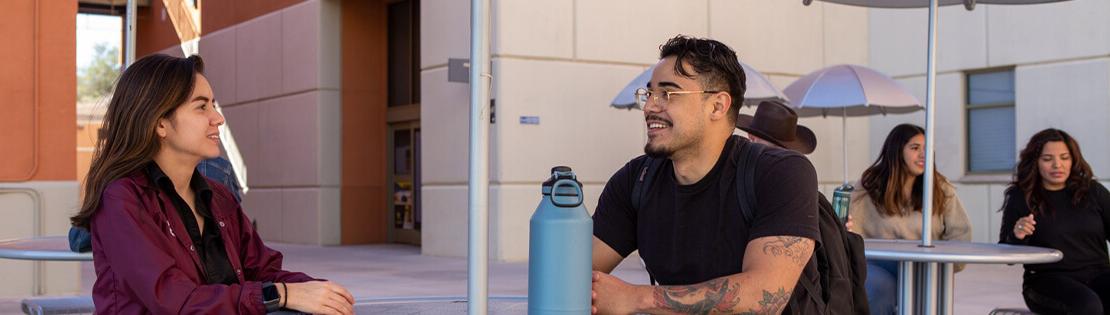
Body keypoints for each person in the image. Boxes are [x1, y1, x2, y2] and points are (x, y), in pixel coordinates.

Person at [69, 54, 354, 315]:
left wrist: (320, 291)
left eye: (214, 105)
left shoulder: (218, 197)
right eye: (202, 106)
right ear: (160, 124)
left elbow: (262, 269)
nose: (218, 118)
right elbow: (174, 300)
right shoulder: (122, 199)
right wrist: (279, 294)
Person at [590, 35, 820, 314]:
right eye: (649, 94)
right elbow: (574, 273)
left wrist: (637, 298)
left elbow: (766, 294)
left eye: (668, 94)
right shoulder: (636, 180)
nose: (650, 106)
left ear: (717, 106)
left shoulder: (780, 173)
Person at [848, 123, 971, 315]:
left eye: (927, 149)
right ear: (897, 151)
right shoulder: (870, 186)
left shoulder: (939, 187)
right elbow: (851, 233)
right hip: (877, 263)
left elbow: (961, 232)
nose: (923, 155)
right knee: (881, 290)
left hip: (924, 266)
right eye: (915, 148)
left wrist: (946, 265)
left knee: (930, 292)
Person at [999, 128, 1110, 314]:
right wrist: (1017, 235)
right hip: (1046, 281)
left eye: (1065, 158)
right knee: (1088, 306)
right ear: (1035, 162)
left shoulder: (1092, 191)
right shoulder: (1021, 196)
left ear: (1073, 160)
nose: (1057, 165)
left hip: (1098, 274)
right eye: (1047, 159)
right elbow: (1005, 252)